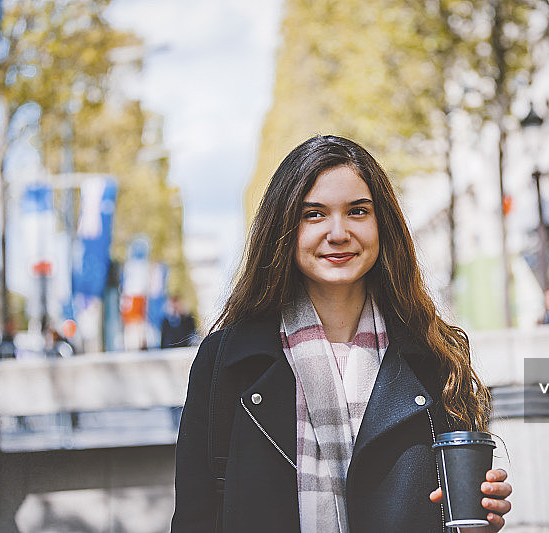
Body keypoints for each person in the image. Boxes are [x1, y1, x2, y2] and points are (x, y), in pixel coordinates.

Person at [171, 136, 512, 533]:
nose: (338, 233)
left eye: (357, 211)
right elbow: (196, 516)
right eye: (314, 214)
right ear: (284, 228)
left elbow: (459, 511)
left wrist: (481, 521)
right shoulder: (224, 362)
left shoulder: (437, 356)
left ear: (381, 223)